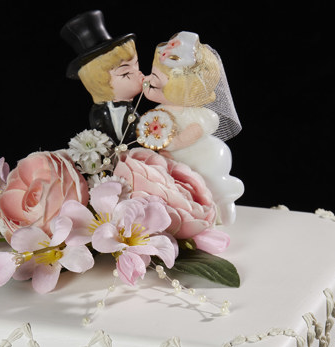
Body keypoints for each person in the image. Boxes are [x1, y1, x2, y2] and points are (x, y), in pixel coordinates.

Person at [141, 31, 244, 225]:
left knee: (208, 185)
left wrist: (168, 145)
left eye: (155, 78)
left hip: (203, 156)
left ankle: (222, 206)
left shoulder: (197, 115)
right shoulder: (160, 110)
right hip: (177, 158)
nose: (147, 81)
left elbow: (187, 136)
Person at [61, 11, 143, 145]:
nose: (139, 74)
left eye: (137, 65)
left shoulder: (132, 113)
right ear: (100, 83)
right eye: (126, 73)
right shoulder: (98, 113)